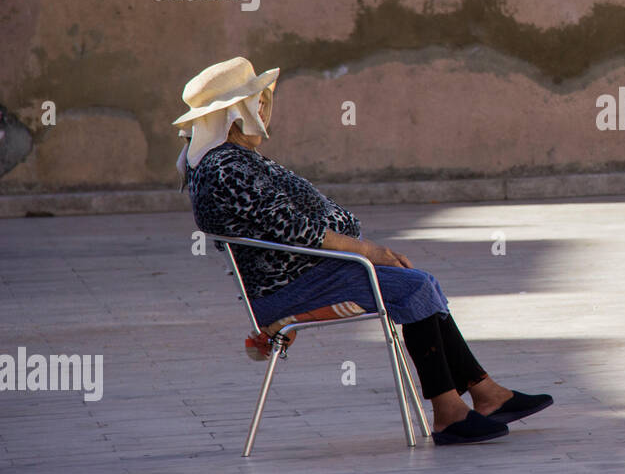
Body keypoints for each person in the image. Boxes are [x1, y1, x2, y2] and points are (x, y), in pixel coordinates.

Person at [174, 56, 553, 446]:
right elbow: (295, 230)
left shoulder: (231, 160)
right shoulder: (226, 167)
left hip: (311, 273)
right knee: (413, 288)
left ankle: (486, 394)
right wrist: (368, 250)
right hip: (295, 285)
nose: (266, 110)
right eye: (259, 103)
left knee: (420, 284)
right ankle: (450, 414)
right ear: (236, 114)